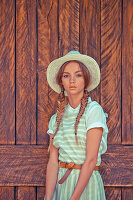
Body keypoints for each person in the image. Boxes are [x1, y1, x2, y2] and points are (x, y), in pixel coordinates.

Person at [45, 51, 108, 200]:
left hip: (86, 186)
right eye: (66, 76)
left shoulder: (93, 111)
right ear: (61, 82)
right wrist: (48, 197)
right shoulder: (56, 119)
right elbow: (53, 162)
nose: (72, 80)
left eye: (78, 75)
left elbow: (91, 160)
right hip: (62, 187)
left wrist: (73, 198)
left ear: (86, 80)